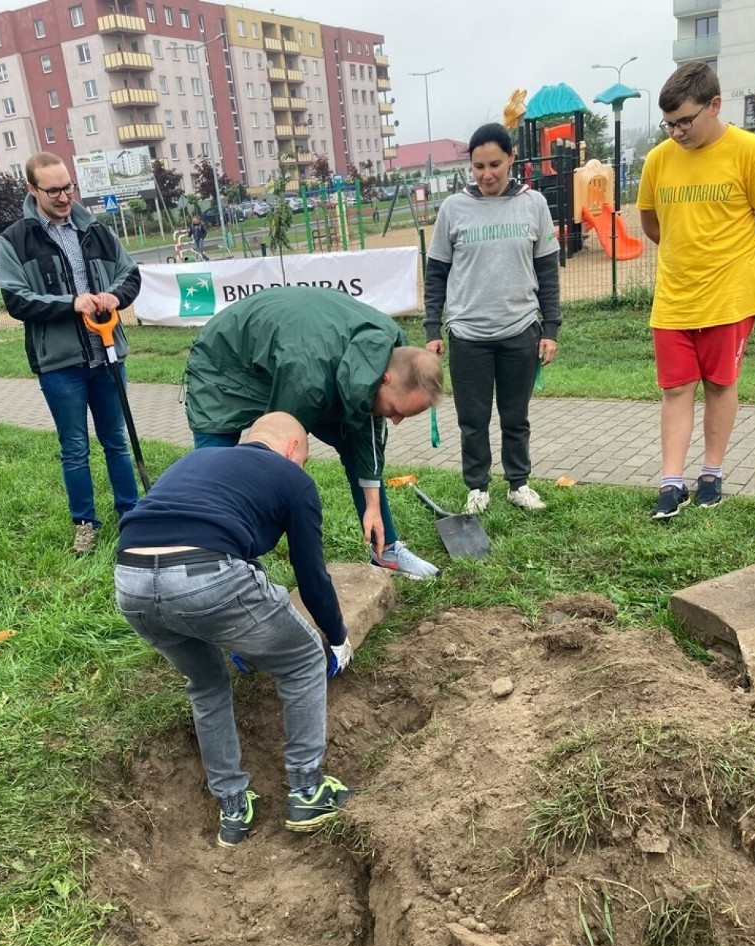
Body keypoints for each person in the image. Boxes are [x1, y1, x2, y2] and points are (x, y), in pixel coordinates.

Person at [114, 412, 354, 848]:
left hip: (130, 580)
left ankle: (233, 808)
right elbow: (312, 575)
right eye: (302, 461)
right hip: (205, 576)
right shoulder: (290, 476)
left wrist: (242, 631)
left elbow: (217, 533)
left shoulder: (200, 461)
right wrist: (336, 637)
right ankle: (307, 790)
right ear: (291, 450)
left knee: (205, 684)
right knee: (302, 659)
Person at [184, 288, 445, 579]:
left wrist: (372, 507)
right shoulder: (308, 380)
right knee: (216, 464)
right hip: (225, 360)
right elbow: (277, 460)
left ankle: (387, 551)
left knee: (354, 438)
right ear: (384, 381)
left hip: (296, 356)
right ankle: (212, 557)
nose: (395, 421)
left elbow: (367, 436)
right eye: (397, 410)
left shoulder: (386, 352)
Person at [0, 152, 142, 555]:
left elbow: (130, 273)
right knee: (75, 447)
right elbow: (16, 299)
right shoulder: (14, 240)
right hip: (60, 365)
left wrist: (115, 295)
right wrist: (70, 304)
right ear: (32, 189)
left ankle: (131, 514)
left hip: (108, 353)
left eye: (68, 187)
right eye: (53, 190)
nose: (64, 197)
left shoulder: (95, 229)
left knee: (116, 440)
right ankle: (85, 523)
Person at [637, 62, 755, 521]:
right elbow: (651, 222)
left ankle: (711, 473)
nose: (676, 132)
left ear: (715, 105)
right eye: (668, 124)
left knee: (721, 384)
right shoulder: (658, 160)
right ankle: (671, 481)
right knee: (675, 389)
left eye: (685, 121)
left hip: (730, 299)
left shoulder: (748, 151)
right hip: (673, 298)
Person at [423, 122, 561, 516]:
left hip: (520, 330)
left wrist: (550, 328)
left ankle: (518, 483)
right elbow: (436, 274)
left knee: (516, 417)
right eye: (478, 166)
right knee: (473, 420)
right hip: (468, 335)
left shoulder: (533, 204)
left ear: (511, 159)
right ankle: (478, 487)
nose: (486, 174)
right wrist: (433, 327)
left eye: (495, 165)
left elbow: (548, 272)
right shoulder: (453, 209)